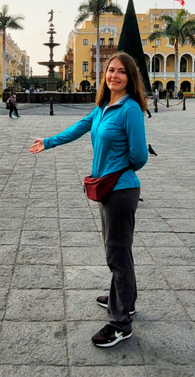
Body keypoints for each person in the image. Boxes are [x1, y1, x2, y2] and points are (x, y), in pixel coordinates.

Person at [29, 52, 148, 348]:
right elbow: (79, 128)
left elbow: (140, 156)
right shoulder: (103, 107)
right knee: (120, 250)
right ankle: (125, 299)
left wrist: (116, 169)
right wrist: (49, 142)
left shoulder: (129, 108)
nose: (114, 76)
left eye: (121, 71)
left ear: (130, 77)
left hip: (121, 190)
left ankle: (120, 323)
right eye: (110, 70)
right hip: (106, 189)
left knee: (115, 254)